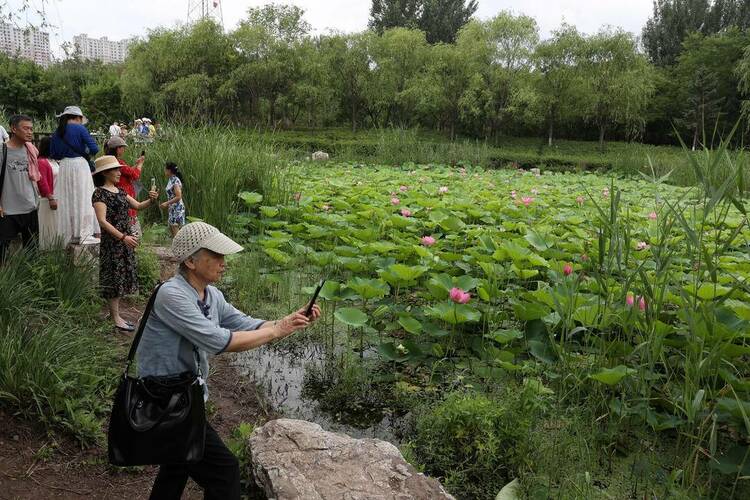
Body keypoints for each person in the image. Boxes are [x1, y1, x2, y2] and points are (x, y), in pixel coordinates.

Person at [136, 221, 321, 499]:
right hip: (166, 401)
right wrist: (276, 331)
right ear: (191, 260)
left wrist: (285, 322)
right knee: (224, 472)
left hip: (186, 398)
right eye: (217, 256)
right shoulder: (171, 295)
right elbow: (218, 341)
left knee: (177, 466)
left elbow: (244, 323)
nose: (224, 263)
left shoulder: (211, 295)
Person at [92, 155, 157, 331]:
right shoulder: (99, 193)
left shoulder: (120, 191)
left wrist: (151, 199)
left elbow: (138, 206)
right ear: (105, 173)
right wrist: (123, 237)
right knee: (113, 277)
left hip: (125, 240)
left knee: (121, 277)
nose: (120, 172)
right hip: (114, 242)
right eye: (116, 169)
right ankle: (115, 317)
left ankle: (116, 314)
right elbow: (102, 221)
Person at [0, 115, 55, 262]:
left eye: (31, 129)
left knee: (32, 252)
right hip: (7, 210)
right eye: (26, 128)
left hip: (30, 207)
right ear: (13, 129)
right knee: (2, 252)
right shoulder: (3, 151)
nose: (30, 132)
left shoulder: (31, 150)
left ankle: (31, 283)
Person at [50, 105, 100, 245]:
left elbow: (54, 153)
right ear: (78, 117)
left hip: (65, 166)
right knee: (84, 197)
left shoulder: (58, 132)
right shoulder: (80, 128)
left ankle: (70, 234)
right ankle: (84, 233)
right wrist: (83, 150)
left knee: (68, 198)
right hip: (80, 166)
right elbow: (94, 148)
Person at [106, 136, 145, 238]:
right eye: (123, 147)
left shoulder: (110, 161)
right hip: (124, 192)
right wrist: (140, 164)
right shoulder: (119, 162)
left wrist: (135, 165)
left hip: (117, 191)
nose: (124, 150)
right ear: (118, 148)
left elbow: (126, 173)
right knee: (129, 216)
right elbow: (135, 175)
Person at [37, 136, 61, 250]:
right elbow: (42, 182)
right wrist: (50, 198)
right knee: (48, 230)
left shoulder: (54, 161)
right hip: (48, 200)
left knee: (56, 229)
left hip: (57, 199)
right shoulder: (41, 162)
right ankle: (47, 252)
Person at [161, 162, 185, 237]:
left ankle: (179, 248)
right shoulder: (171, 180)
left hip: (177, 208)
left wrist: (166, 203)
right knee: (172, 229)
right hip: (172, 208)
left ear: (169, 170)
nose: (164, 171)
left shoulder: (175, 180)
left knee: (176, 230)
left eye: (165, 169)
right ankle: (175, 247)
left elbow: (178, 196)